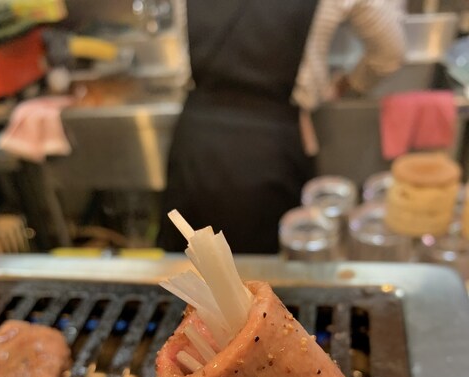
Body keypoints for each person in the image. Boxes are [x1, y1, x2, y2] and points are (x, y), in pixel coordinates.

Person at [157, 0, 405, 254]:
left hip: (197, 139)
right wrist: (349, 84)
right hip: (272, 146)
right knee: (270, 270)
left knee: (186, 265)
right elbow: (389, 53)